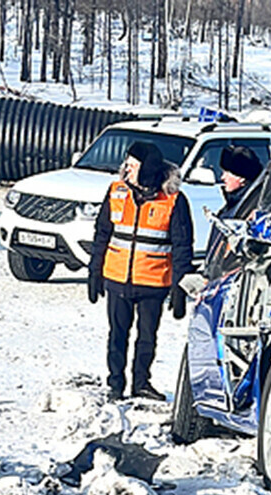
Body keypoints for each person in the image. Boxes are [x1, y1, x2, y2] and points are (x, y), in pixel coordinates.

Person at [87, 141, 194, 400]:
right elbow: (102, 233)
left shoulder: (173, 200)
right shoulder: (116, 191)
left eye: (133, 166)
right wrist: (95, 270)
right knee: (117, 335)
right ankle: (115, 383)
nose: (127, 170)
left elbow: (182, 248)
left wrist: (180, 288)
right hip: (117, 277)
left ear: (147, 169)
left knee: (147, 337)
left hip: (153, 281)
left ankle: (141, 383)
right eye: (128, 164)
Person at [218, 145, 263, 218]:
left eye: (228, 173)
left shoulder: (250, 206)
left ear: (242, 178)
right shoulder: (235, 203)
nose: (222, 177)